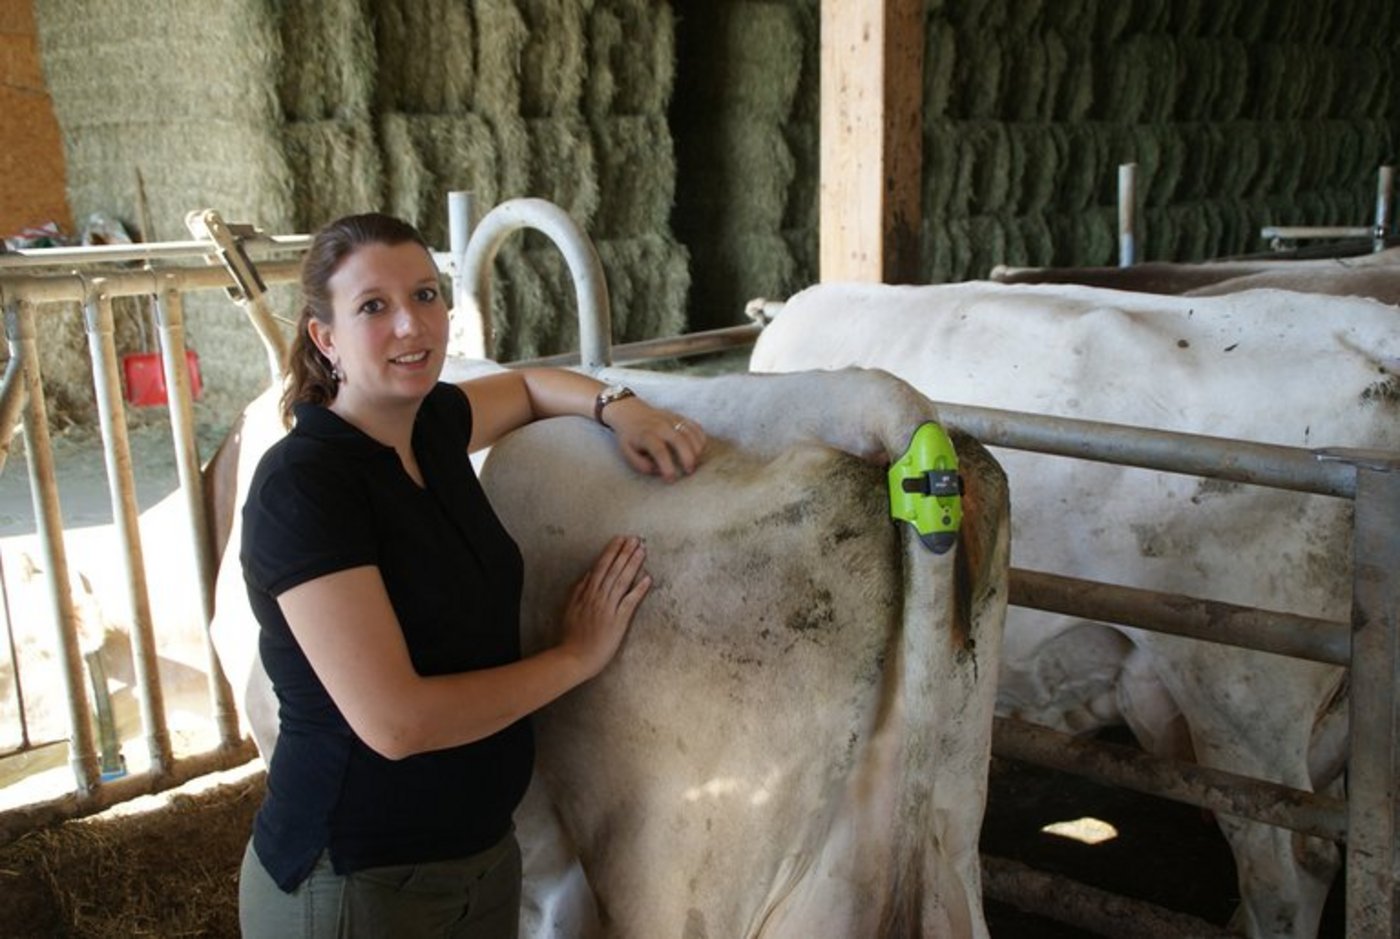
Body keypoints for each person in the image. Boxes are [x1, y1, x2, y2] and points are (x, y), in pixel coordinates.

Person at [236, 212, 706, 937]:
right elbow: (397, 721)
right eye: (373, 307)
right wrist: (576, 656)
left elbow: (524, 390)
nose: (410, 326)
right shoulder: (304, 487)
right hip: (354, 884)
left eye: (425, 295)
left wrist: (621, 407)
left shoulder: (430, 427)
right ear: (324, 338)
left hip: (482, 861)